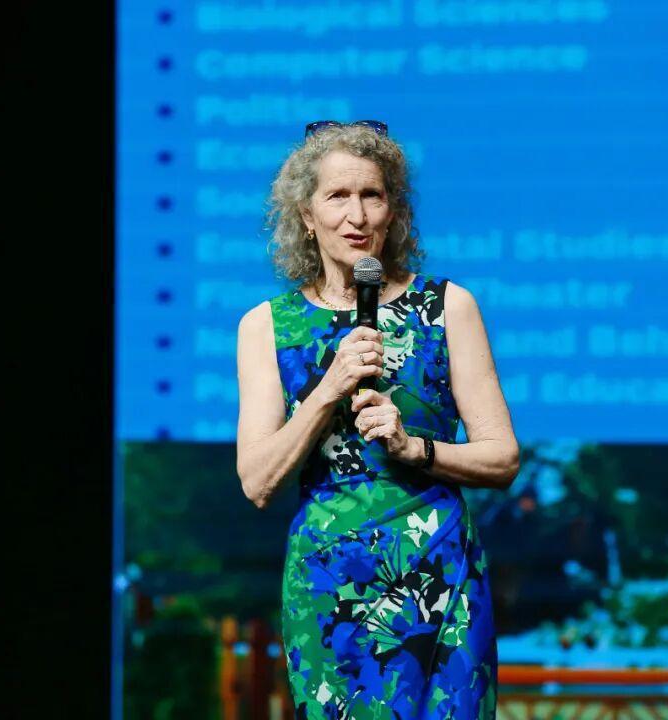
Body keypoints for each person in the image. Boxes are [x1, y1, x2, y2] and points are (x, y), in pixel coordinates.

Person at [235, 120, 520, 719]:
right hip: (330, 579)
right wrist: (328, 390)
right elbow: (257, 481)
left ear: (394, 212)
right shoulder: (267, 326)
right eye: (337, 196)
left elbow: (502, 458)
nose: (357, 216)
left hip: (437, 570)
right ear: (307, 215)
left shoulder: (447, 307)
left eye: (373, 195)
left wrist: (415, 449)